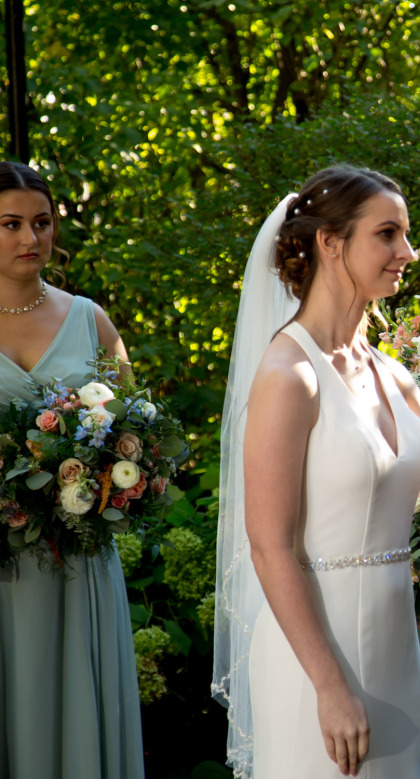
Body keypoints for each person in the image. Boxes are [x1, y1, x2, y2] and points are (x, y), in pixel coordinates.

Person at [212, 165, 420, 778]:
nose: (408, 252)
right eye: (389, 234)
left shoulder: (390, 373)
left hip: (396, 654)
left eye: (406, 234)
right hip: (315, 659)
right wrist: (328, 684)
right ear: (331, 242)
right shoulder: (290, 376)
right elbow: (268, 548)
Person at [0, 161, 145, 778]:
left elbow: (138, 437)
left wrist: (110, 480)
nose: (30, 239)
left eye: (42, 222)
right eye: (10, 224)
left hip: (79, 561)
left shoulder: (91, 320)